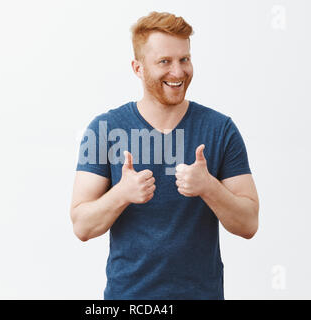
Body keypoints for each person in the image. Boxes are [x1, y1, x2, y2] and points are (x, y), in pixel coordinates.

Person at [70, 11, 259, 300]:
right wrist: (122, 193)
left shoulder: (221, 130)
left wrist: (208, 187)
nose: (178, 72)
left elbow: (249, 224)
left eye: (184, 59)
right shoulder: (104, 129)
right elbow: (82, 225)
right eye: (164, 62)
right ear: (138, 68)